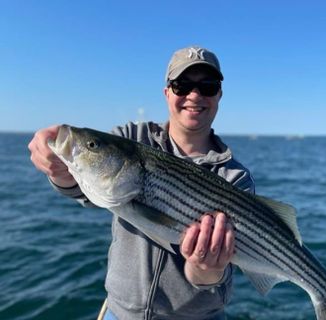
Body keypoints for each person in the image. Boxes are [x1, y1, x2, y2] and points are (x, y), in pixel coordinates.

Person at [28, 46, 255, 320]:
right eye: (182, 85)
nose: (194, 95)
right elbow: (87, 189)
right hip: (121, 312)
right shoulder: (132, 138)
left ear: (219, 94)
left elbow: (216, 276)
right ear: (167, 92)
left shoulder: (234, 177)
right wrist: (58, 168)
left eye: (207, 86)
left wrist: (206, 269)